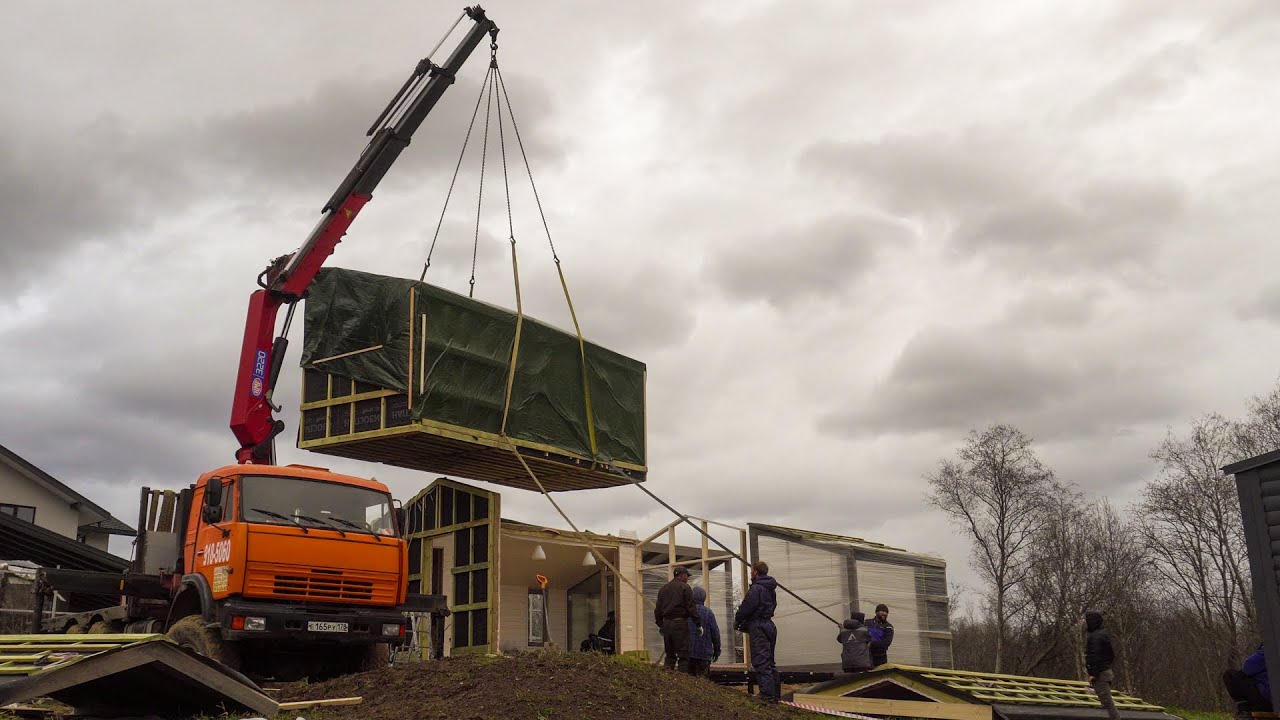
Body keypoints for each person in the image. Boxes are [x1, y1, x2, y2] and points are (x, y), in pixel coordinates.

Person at [735, 561, 781, 702]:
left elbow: (748, 606)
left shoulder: (757, 588)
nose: (750, 574)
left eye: (751, 571)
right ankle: (775, 694)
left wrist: (738, 619)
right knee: (769, 661)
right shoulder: (770, 588)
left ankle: (766, 694)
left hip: (759, 625)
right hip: (769, 625)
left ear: (755, 572)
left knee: (761, 660)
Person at [655, 566, 700, 672]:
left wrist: (660, 624)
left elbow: (658, 609)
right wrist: (698, 624)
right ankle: (682, 680)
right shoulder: (685, 588)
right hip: (680, 624)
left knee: (669, 654)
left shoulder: (663, 589)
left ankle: (667, 678)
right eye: (687, 576)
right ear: (682, 575)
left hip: (667, 624)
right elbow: (691, 608)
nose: (687, 578)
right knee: (683, 654)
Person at [1083, 610, 1121, 720]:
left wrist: (1093, 674)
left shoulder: (1094, 637)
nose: (1084, 622)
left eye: (1085, 620)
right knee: (1105, 702)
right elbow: (1111, 655)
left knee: (1108, 703)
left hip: (1100, 674)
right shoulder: (1103, 634)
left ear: (1091, 622)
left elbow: (1095, 656)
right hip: (1106, 672)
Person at [1224, 645, 1272, 716]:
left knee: (1230, 675)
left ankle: (1245, 710)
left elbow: (1248, 667)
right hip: (1271, 699)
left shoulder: (1270, 647)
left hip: (1268, 700)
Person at [686, 586, 721, 678]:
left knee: (687, 683)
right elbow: (715, 633)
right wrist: (717, 651)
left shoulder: (686, 612)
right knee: (703, 685)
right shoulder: (708, 613)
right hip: (704, 654)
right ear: (703, 598)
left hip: (687, 653)